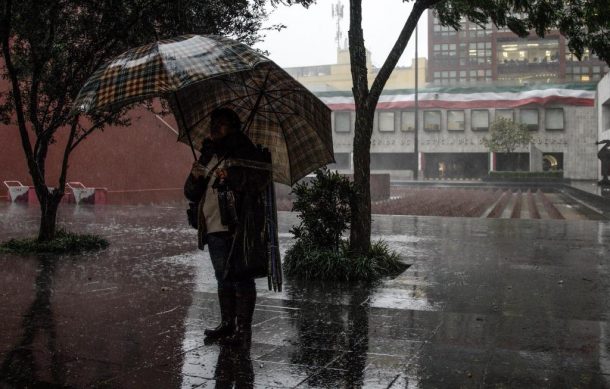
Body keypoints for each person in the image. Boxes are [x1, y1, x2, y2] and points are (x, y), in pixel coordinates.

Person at [184, 108, 270, 346]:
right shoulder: (208, 154)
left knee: (241, 277)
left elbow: (258, 182)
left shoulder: (245, 152)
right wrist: (195, 177)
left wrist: (231, 177)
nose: (215, 128)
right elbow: (190, 193)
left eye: (221, 124)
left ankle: (243, 331)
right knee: (222, 277)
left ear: (233, 127)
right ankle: (227, 324)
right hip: (212, 226)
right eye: (214, 123)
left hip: (237, 226)